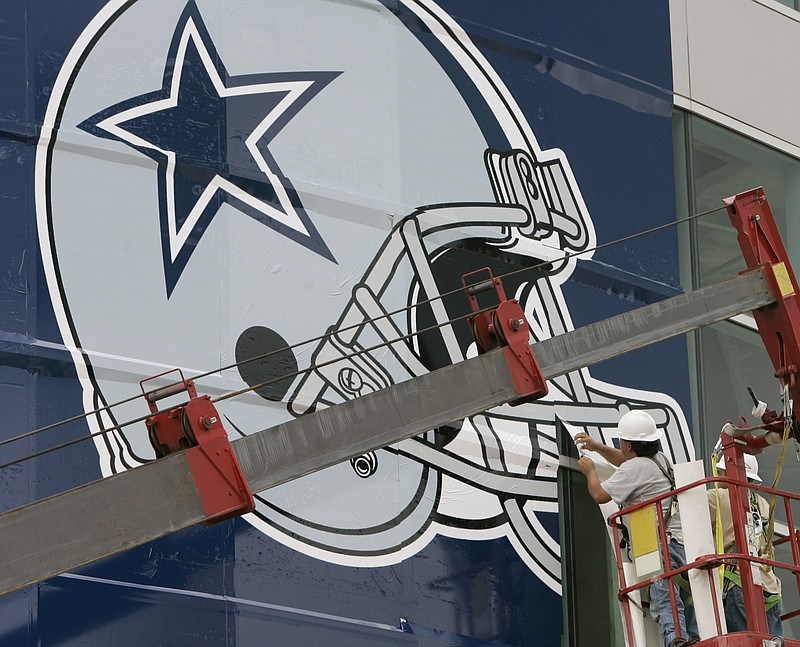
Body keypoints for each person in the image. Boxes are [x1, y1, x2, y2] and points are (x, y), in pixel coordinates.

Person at [575, 410, 699, 647]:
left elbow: (600, 495)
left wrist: (590, 472)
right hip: (679, 541)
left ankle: (676, 641)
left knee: (665, 597)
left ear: (629, 445)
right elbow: (627, 463)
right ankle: (693, 640)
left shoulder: (636, 468)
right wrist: (598, 447)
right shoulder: (659, 460)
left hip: (657, 542)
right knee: (686, 597)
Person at [708, 454, 783, 637]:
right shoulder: (763, 503)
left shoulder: (717, 497)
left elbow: (685, 509)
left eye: (719, 472)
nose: (716, 476)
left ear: (728, 473)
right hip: (770, 588)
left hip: (739, 584)